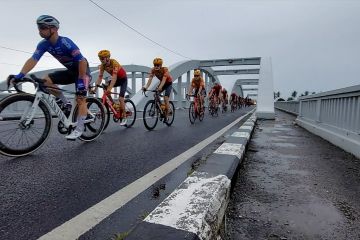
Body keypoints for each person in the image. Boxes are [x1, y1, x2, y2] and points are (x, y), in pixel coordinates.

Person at [7, 15, 91, 140]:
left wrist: (80, 83)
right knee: (46, 80)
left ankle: (79, 129)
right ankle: (66, 103)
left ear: (54, 29)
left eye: (42, 28)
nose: (39, 31)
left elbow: (82, 61)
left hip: (82, 71)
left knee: (80, 99)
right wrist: (20, 75)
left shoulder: (65, 42)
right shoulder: (43, 44)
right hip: (70, 71)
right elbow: (33, 59)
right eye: (39, 27)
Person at [91, 50, 128, 125]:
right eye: (100, 58)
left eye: (102, 58)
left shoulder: (114, 63)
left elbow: (114, 77)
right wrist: (95, 89)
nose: (101, 60)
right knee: (105, 87)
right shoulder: (102, 66)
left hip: (123, 80)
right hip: (116, 79)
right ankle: (114, 104)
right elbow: (100, 77)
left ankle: (124, 117)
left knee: (120, 98)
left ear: (108, 58)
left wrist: (110, 89)